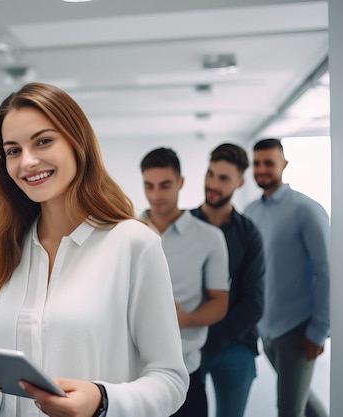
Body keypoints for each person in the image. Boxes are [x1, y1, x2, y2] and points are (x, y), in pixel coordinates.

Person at [0, 82, 188, 417]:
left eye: (43, 141)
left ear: (77, 142)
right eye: (13, 150)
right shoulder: (5, 249)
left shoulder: (134, 244)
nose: (27, 161)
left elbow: (170, 379)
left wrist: (102, 401)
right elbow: (7, 388)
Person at [139, 147, 229, 417]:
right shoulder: (125, 231)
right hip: (133, 373)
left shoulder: (209, 237)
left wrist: (182, 318)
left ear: (180, 183)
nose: (156, 195)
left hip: (186, 370)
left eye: (165, 185)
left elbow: (220, 303)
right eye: (149, 186)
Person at [244, 138, 330, 417]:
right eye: (257, 163)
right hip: (266, 329)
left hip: (298, 330)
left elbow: (326, 270)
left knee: (289, 409)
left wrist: (319, 330)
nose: (262, 169)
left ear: (284, 164)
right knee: (301, 401)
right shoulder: (251, 212)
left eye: (269, 162)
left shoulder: (305, 209)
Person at [190, 143, 265, 417]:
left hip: (234, 344)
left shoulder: (249, 234)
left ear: (239, 181)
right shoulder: (182, 226)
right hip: (187, 345)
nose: (213, 184)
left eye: (223, 178)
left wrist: (210, 337)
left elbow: (254, 302)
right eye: (210, 174)